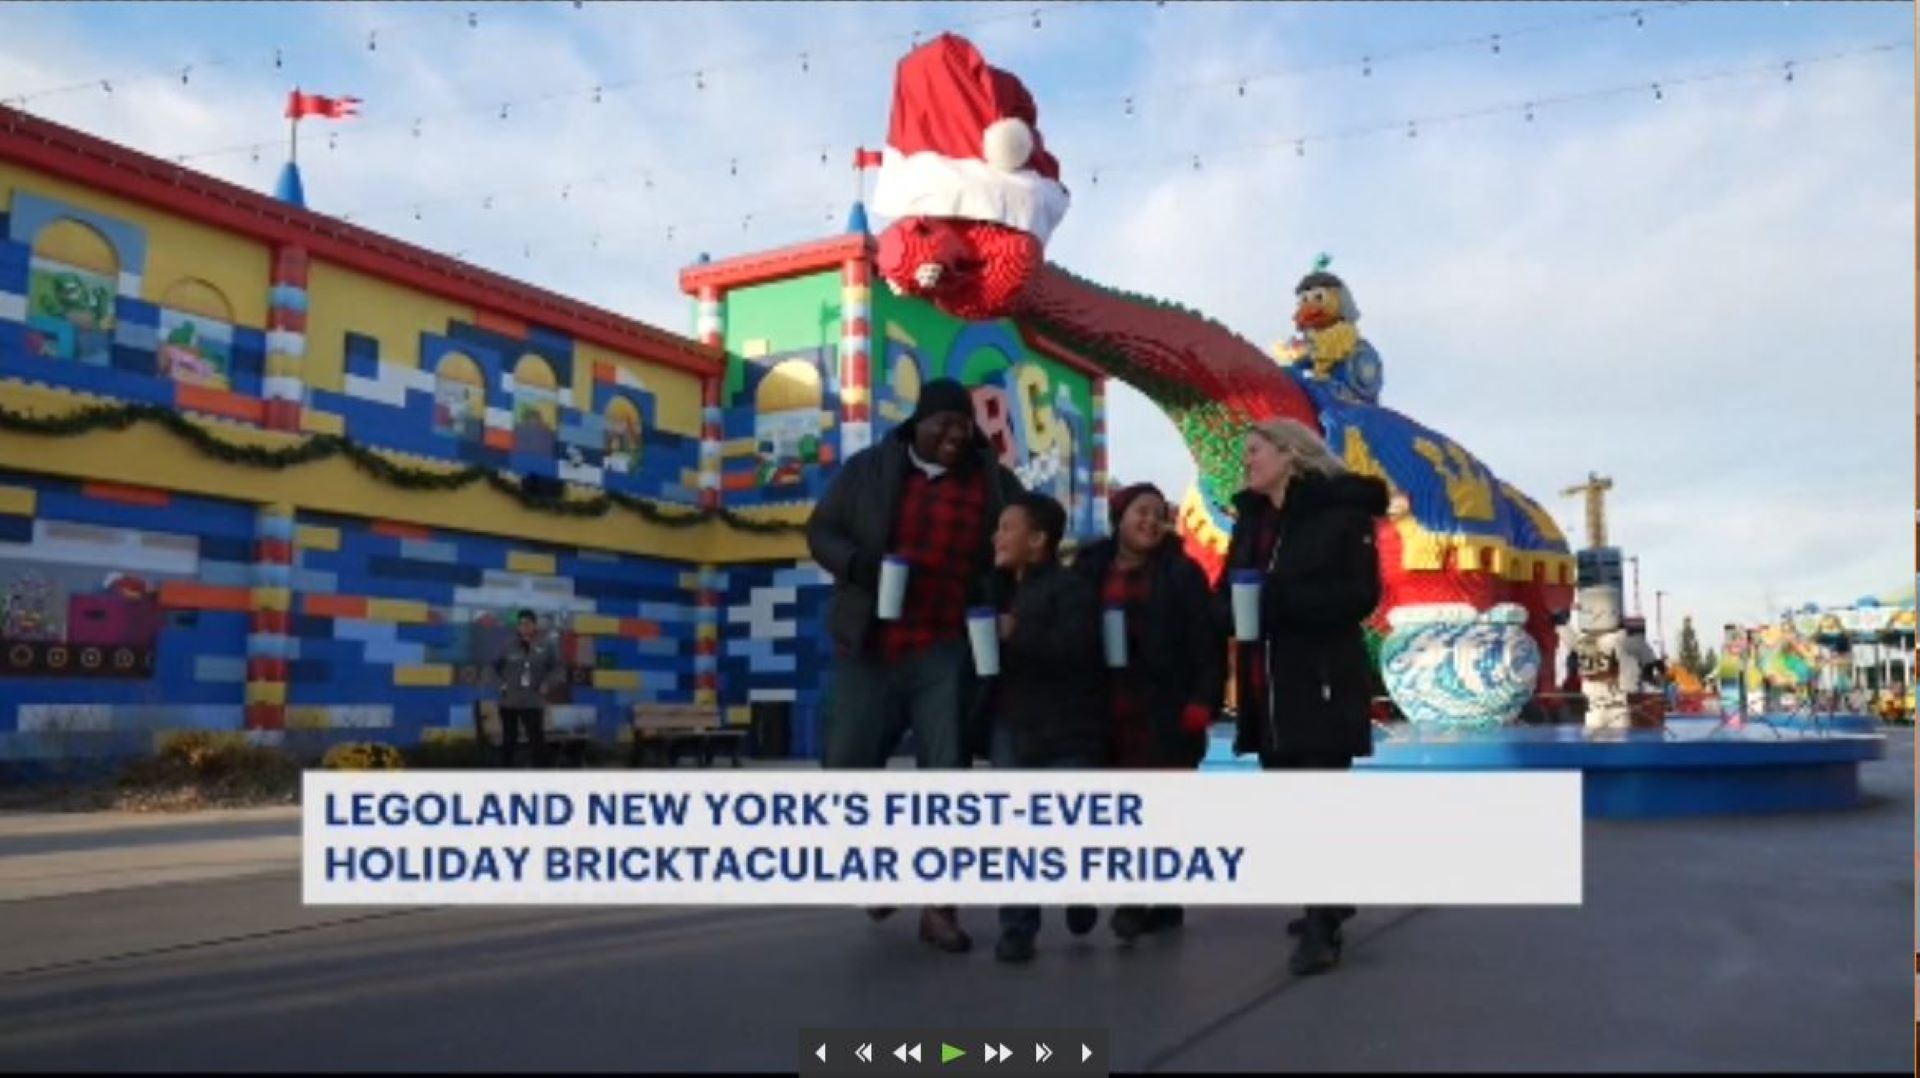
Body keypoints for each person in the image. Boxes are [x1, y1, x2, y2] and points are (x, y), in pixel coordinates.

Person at [806, 377, 1025, 955]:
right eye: (943, 425)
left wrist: (1006, 605)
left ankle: (940, 909)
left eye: (962, 426)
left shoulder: (994, 483)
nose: (955, 436)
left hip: (947, 646)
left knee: (946, 776)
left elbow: (1023, 541)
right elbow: (820, 530)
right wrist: (857, 565)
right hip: (870, 645)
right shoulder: (870, 469)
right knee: (847, 764)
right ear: (918, 424)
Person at [1220, 417, 1389, 977]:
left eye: (1255, 450)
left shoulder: (1341, 515)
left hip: (1319, 677)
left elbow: (1359, 595)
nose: (1247, 460)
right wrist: (1225, 610)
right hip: (1265, 682)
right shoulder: (1250, 522)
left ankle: (1322, 927)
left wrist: (1277, 600)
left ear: (1290, 455)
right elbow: (1231, 590)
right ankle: (1327, 894)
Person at [1070, 481, 1225, 943]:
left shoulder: (1182, 574)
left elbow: (1207, 644)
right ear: (1120, 516)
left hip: (1163, 706)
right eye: (1142, 511)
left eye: (1159, 514)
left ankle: (1137, 902)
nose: (1151, 522)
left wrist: (1203, 701)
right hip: (1103, 704)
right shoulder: (1089, 567)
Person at [978, 492, 1106, 963]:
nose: (997, 536)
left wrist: (1019, 633)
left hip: (1067, 730)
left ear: (1037, 541)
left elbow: (1078, 650)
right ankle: (1017, 927)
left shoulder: (1070, 589)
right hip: (1012, 725)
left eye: (1006, 528)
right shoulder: (995, 588)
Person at [492, 609, 563, 768]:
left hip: (533, 700)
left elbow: (557, 669)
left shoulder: (545, 645)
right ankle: (505, 773)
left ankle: (539, 775)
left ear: (534, 625)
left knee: (536, 739)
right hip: (509, 701)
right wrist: (501, 684)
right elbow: (493, 668)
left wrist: (547, 683)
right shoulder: (508, 645)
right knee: (509, 740)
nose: (524, 626)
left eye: (527, 623)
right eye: (521, 623)